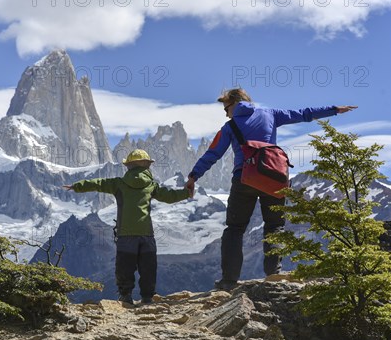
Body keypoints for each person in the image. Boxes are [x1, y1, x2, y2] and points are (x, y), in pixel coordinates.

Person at [185, 88, 357, 291]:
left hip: (244, 179)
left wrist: (194, 176)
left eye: (226, 108)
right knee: (275, 227)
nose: (226, 113)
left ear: (234, 103)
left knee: (235, 229)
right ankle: (274, 274)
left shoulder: (229, 127)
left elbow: (213, 153)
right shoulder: (270, 114)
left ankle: (229, 281)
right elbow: (304, 114)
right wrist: (333, 110)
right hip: (273, 177)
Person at [64, 149, 190, 305]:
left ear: (129, 166)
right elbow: (170, 197)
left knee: (125, 267)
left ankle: (125, 296)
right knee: (148, 267)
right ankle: (147, 297)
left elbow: (98, 184)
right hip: (146, 234)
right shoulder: (151, 186)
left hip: (125, 235)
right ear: (147, 166)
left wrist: (77, 186)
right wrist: (187, 193)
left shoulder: (119, 184)